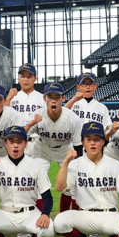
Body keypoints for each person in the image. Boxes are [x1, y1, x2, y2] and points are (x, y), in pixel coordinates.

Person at [54, 122, 119, 237]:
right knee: (59, 222)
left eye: (97, 139)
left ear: (103, 141)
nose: (92, 143)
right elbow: (59, 187)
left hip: (110, 215)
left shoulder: (114, 164)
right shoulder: (76, 164)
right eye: (88, 139)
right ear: (83, 142)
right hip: (85, 215)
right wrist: (65, 163)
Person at [25, 82, 79, 213]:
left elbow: (79, 146)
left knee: (73, 185)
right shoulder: (37, 115)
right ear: (44, 98)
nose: (53, 100)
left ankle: (65, 216)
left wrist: (79, 166)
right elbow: (20, 134)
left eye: (57, 97)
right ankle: (37, 217)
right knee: (36, 183)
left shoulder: (73, 119)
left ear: (63, 99)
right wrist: (31, 122)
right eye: (50, 97)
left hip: (65, 150)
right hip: (42, 149)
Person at [65, 72, 112, 156]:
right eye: (84, 84)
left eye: (90, 83)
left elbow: (106, 128)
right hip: (75, 146)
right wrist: (73, 100)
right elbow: (60, 114)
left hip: (94, 146)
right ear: (78, 87)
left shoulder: (102, 107)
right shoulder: (73, 104)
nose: (87, 86)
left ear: (95, 86)